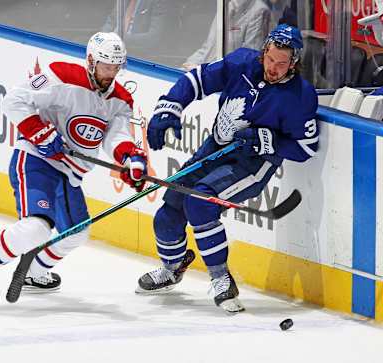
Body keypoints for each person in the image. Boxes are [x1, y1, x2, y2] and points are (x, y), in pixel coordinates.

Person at [136, 24, 318, 312]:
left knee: (199, 202)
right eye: (270, 59)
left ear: (293, 63)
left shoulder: (301, 96)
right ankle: (172, 268)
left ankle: (221, 279)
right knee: (169, 211)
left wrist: (264, 139)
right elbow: (196, 80)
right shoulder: (242, 62)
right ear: (264, 52)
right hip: (216, 147)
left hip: (254, 164)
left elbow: (305, 148)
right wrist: (169, 106)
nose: (273, 67)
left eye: (282, 64)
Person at [0, 32, 148, 300]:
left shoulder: (121, 99)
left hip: (71, 174)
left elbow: (118, 136)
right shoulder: (61, 76)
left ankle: (33, 273)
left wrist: (130, 159)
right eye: (106, 66)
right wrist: (39, 133)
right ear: (91, 61)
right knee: (36, 228)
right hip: (37, 160)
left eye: (117, 67)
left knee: (77, 233)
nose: (111, 73)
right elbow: (14, 100)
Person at [181, 0, 271, 71]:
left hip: (226, 83)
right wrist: (188, 64)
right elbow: (208, 48)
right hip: (207, 74)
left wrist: (202, 70)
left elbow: (249, 60)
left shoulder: (259, 10)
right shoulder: (226, 6)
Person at [101, 0, 170, 58]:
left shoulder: (159, 2)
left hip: (137, 56)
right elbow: (110, 21)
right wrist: (104, 38)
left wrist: (119, 38)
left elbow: (153, 37)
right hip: (110, 50)